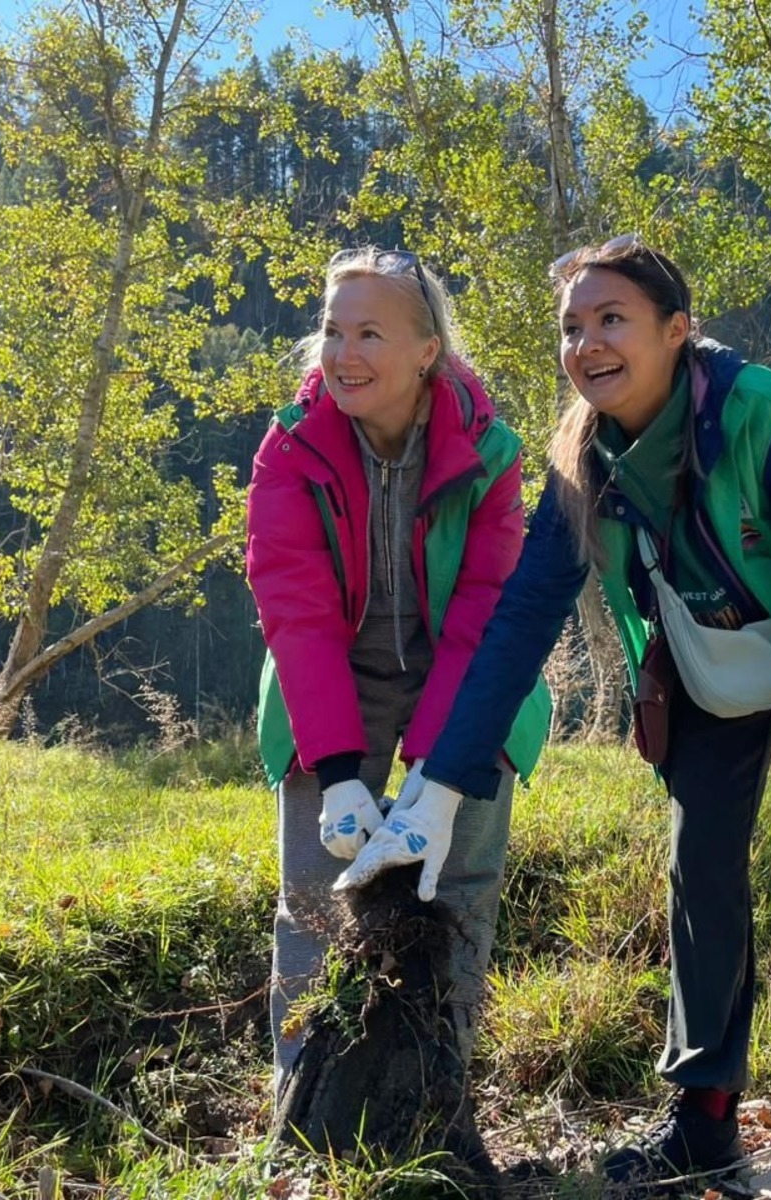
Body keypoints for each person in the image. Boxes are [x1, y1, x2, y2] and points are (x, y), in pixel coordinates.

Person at [337, 235, 771, 1195]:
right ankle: (705, 1123)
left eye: (612, 319)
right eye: (572, 328)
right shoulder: (585, 459)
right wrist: (434, 791)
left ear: (677, 330)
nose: (588, 344)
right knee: (698, 862)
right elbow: (519, 626)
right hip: (712, 656)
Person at [245, 246, 551, 1093]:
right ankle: (302, 1110)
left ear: (428, 351)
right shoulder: (292, 446)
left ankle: (431, 1102)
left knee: (457, 894)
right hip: (327, 683)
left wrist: (437, 775)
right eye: (333, 331)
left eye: (371, 333)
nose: (344, 354)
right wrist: (340, 771)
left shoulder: (490, 452)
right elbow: (296, 611)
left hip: (466, 680)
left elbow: (482, 614)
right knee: (311, 902)